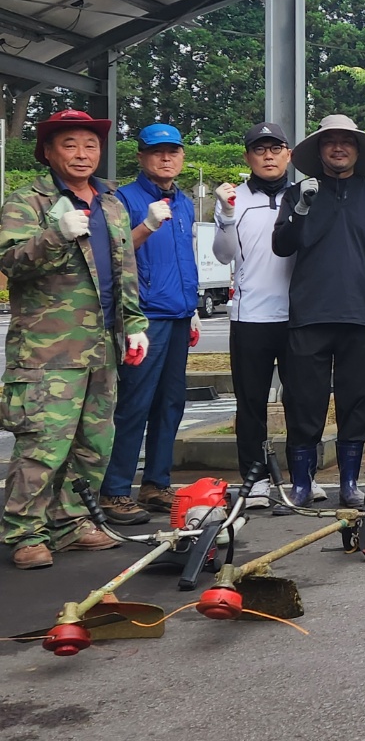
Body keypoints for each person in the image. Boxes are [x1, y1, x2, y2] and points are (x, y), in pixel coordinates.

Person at [1, 110, 146, 568]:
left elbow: (124, 271)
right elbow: (10, 262)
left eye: (90, 144)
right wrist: (53, 237)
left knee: (93, 443)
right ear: (47, 152)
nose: (82, 154)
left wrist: (134, 322)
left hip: (102, 346)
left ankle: (73, 521)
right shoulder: (29, 202)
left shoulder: (111, 202)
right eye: (70, 144)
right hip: (48, 351)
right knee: (44, 445)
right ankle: (25, 532)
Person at [272, 114, 365, 509]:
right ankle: (302, 482)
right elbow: (281, 245)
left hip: (361, 316)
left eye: (347, 141)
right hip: (309, 313)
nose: (338, 147)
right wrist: (302, 210)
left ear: (357, 150)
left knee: (356, 400)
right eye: (330, 142)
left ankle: (348, 481)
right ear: (319, 150)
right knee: (304, 400)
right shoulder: (299, 192)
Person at [213, 122, 317, 509]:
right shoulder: (234, 199)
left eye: (276, 148)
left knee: (302, 400)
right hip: (250, 316)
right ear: (248, 157)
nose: (268, 156)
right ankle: (255, 479)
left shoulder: (305, 195)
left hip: (299, 316)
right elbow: (223, 254)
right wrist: (224, 214)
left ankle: (302, 477)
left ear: (289, 154)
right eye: (260, 149)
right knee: (251, 402)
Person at [101, 124, 200, 522]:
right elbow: (112, 255)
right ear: (141, 156)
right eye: (157, 152)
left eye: (173, 151)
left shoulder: (186, 202)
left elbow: (183, 259)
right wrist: (146, 225)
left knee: (170, 403)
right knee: (134, 404)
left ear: (181, 157)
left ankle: (156, 484)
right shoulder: (122, 200)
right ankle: (115, 490)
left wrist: (191, 307)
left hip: (178, 314)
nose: (165, 158)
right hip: (143, 318)